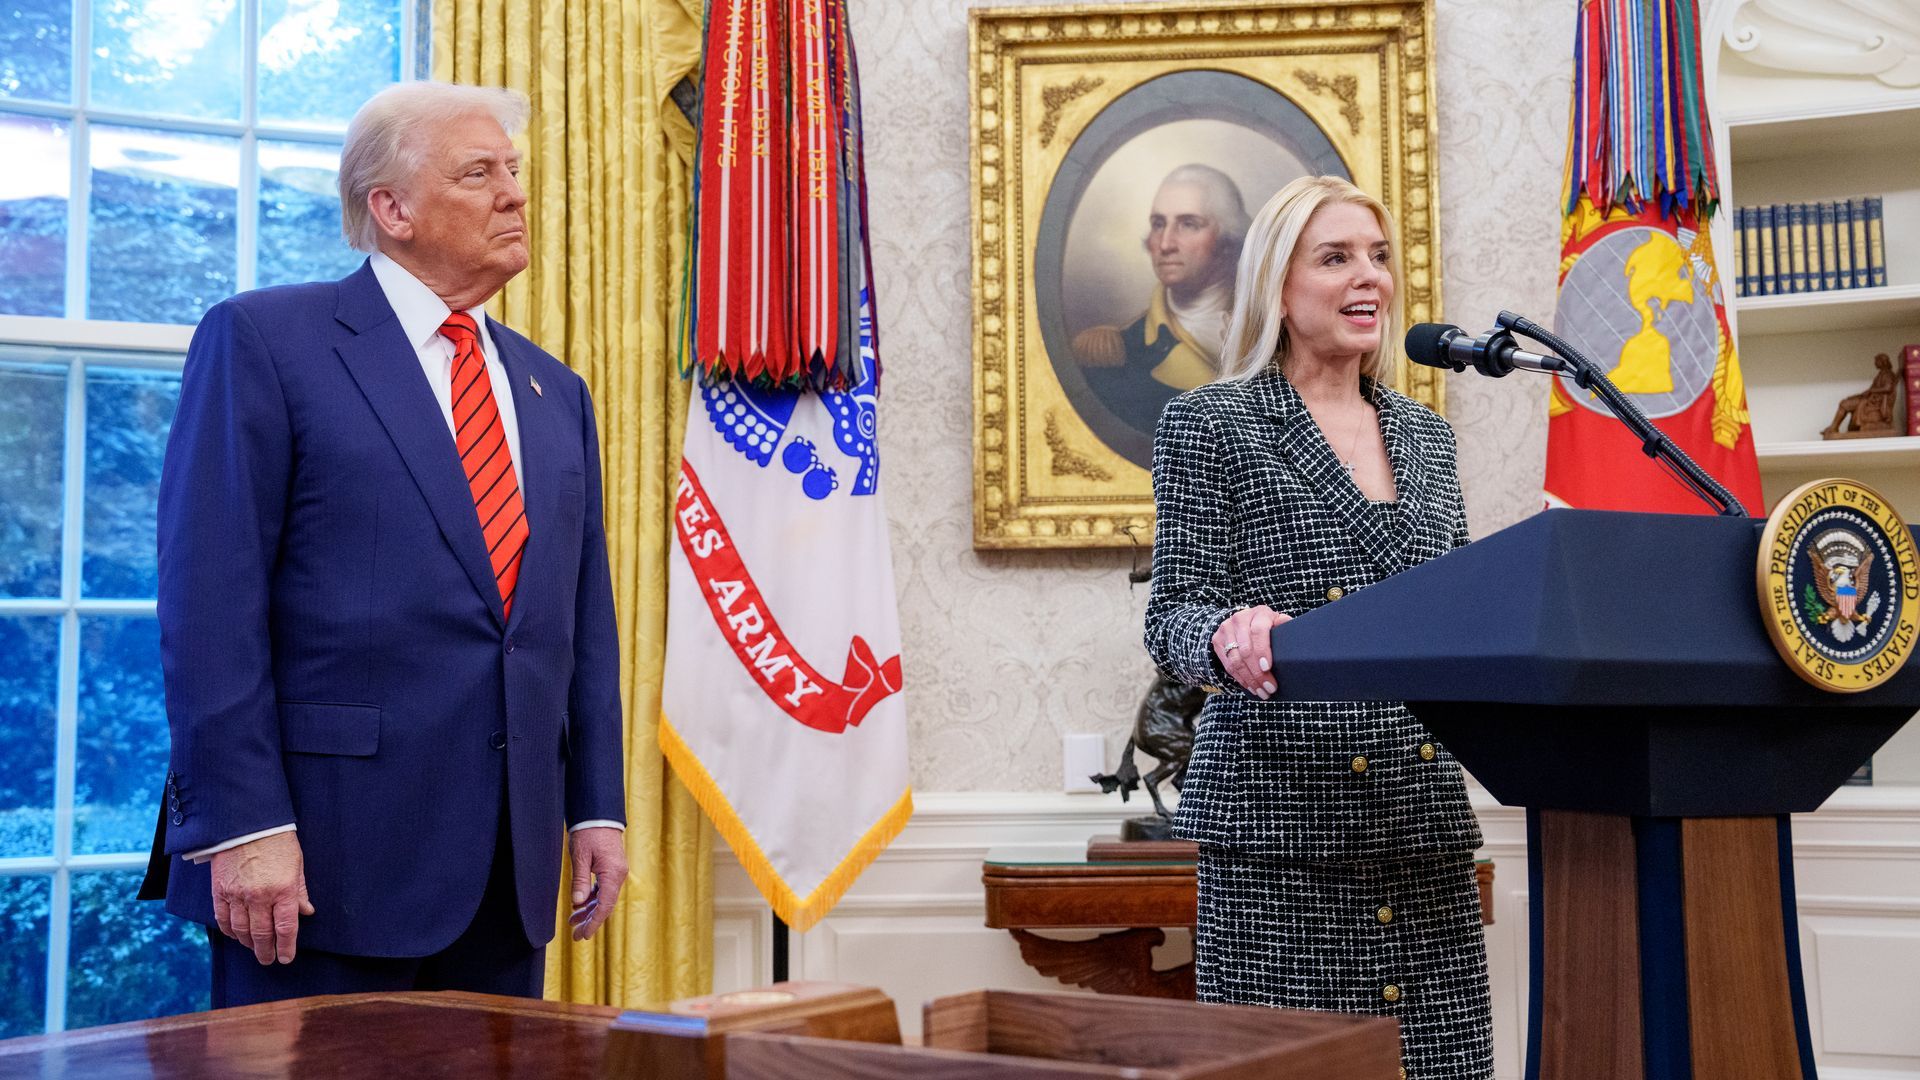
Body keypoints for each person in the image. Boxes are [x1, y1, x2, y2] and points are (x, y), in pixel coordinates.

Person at [138, 81, 629, 1006]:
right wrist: (243, 826)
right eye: (479, 172)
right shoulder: (265, 340)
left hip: (507, 874)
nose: (515, 194)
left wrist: (595, 805)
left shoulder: (553, 391)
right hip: (320, 865)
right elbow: (209, 606)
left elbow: (578, 620)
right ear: (391, 208)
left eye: (514, 171)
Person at [1143, 175, 1493, 1078]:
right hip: (1279, 841)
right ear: (1277, 285)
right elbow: (1173, 612)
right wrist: (1224, 635)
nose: (1366, 277)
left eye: (1377, 256)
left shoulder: (1427, 436)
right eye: (1335, 258)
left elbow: (1453, 614)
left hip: (1420, 839)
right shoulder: (1210, 424)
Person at [1075, 164, 1250, 438]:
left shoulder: (1275, 336)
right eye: (1158, 224)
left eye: (1188, 224)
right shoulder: (1119, 353)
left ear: (1228, 237)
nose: (1166, 243)